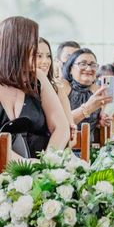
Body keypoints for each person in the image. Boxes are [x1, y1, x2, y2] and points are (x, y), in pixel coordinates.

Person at [0, 16, 69, 157]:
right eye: (32, 43)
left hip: (40, 169)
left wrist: (48, 163)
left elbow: (61, 127)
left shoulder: (38, 78)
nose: (36, 48)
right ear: (16, 46)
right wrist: (23, 165)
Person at [60, 48, 114, 138]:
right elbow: (60, 123)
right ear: (70, 69)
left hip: (89, 148)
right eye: (83, 64)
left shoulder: (99, 91)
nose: (89, 68)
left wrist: (102, 121)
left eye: (93, 65)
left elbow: (102, 122)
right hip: (63, 148)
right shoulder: (62, 87)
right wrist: (88, 108)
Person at [37, 37, 77, 146]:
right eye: (38, 56)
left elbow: (72, 139)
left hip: (54, 154)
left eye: (48, 56)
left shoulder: (57, 89)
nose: (45, 61)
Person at [96, 64, 114, 129]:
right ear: (98, 79)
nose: (107, 82)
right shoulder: (92, 97)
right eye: (104, 79)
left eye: (110, 79)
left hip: (106, 135)